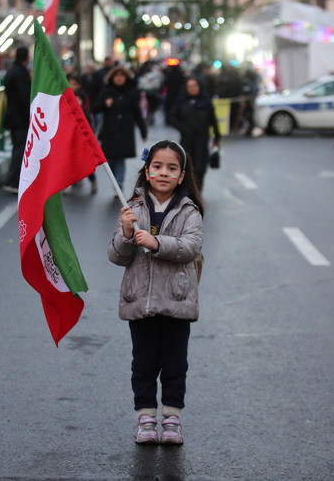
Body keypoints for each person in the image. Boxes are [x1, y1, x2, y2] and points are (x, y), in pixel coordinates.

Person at [107, 140, 204, 445]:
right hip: (141, 301)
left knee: (175, 364)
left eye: (171, 168)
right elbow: (117, 256)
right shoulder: (132, 208)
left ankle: (172, 419)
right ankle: (146, 417)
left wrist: (157, 243)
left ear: (182, 174)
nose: (164, 173)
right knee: (144, 363)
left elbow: (190, 248)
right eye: (157, 166)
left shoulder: (190, 211)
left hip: (176, 301)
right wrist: (126, 235)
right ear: (147, 171)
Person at [93, 65, 147, 197]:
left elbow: (137, 112)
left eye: (122, 76)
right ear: (112, 78)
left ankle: (119, 185)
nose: (119, 79)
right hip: (109, 130)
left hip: (125, 130)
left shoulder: (132, 92)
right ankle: (115, 183)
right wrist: (105, 104)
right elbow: (95, 108)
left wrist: (143, 130)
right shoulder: (106, 91)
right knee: (110, 159)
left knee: (121, 159)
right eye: (117, 76)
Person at [170, 77, 221, 190]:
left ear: (199, 87)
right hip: (186, 140)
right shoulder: (181, 101)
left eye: (194, 86)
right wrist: (182, 128)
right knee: (186, 166)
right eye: (189, 86)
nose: (192, 88)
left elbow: (213, 120)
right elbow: (172, 117)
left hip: (202, 140)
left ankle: (197, 193)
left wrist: (217, 138)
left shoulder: (206, 102)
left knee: (200, 168)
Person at [2, 46, 32, 194]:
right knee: (20, 149)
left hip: (13, 116)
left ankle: (15, 179)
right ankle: (13, 180)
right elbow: (23, 97)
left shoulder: (12, 71)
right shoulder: (19, 73)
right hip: (19, 118)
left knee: (18, 148)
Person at [65, 73, 98, 194]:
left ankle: (92, 180)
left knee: (83, 161)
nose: (72, 86)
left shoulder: (82, 96)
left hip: (81, 133)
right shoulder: (64, 95)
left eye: (75, 84)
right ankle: (70, 185)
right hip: (68, 133)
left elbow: (86, 111)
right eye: (70, 83)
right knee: (70, 160)